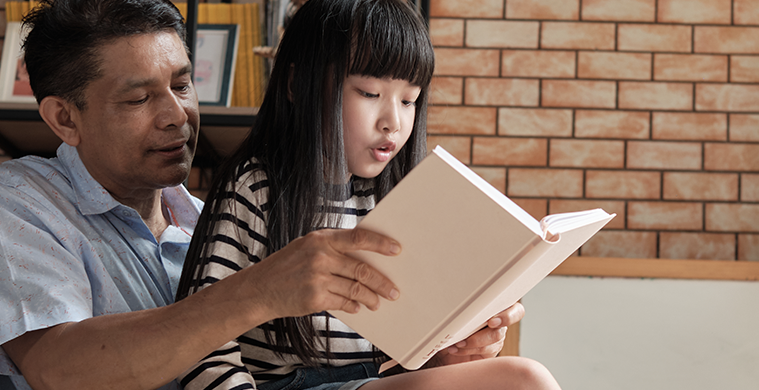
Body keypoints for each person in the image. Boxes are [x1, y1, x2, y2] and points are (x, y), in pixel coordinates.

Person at [0, 0, 404, 389]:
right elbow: (59, 370)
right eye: (138, 99)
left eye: (182, 86)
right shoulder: (10, 201)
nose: (176, 115)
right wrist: (258, 291)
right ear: (65, 119)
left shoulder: (211, 222)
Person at [174, 1, 561, 389]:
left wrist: (456, 348)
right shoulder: (255, 187)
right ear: (297, 85)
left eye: (409, 100)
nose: (393, 121)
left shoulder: (399, 198)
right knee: (525, 379)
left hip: (374, 379)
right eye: (369, 92)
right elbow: (201, 341)